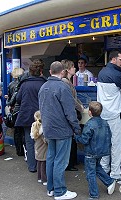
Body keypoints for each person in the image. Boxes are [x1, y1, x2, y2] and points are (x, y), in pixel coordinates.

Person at [39, 61, 81, 199]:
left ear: (50, 72)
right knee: (61, 161)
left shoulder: (43, 87)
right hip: (62, 130)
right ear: (62, 72)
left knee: (51, 158)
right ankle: (60, 191)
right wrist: (76, 128)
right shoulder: (63, 88)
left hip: (48, 128)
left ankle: (51, 188)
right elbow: (70, 112)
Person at [97, 50, 121, 181]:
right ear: (113, 59)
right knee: (117, 144)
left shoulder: (101, 72)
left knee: (106, 144)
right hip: (116, 114)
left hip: (103, 114)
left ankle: (104, 169)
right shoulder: (117, 75)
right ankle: (116, 173)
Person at [75, 101, 116, 199]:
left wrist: (76, 137)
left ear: (89, 112)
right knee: (97, 168)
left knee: (90, 174)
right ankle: (109, 181)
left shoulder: (89, 124)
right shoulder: (105, 123)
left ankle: (94, 195)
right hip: (101, 151)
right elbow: (109, 136)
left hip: (91, 152)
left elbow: (84, 140)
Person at [15, 59, 46, 173]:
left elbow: (18, 99)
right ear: (41, 71)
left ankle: (32, 166)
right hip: (42, 116)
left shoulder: (25, 84)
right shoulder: (44, 83)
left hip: (27, 116)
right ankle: (42, 167)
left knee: (29, 141)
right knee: (43, 142)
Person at [61, 59, 84, 171]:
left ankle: (71, 162)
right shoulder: (65, 82)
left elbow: (75, 98)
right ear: (68, 69)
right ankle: (70, 164)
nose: (75, 68)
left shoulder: (68, 81)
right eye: (73, 66)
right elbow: (71, 99)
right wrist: (80, 107)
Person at [6, 68, 25, 156]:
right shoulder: (23, 84)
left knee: (17, 131)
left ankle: (19, 150)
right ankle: (25, 150)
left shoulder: (11, 85)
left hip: (15, 110)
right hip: (23, 109)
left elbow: (10, 98)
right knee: (24, 131)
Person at [30, 110, 47, 186]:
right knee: (43, 163)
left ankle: (39, 177)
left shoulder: (34, 126)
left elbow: (33, 136)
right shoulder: (43, 127)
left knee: (39, 162)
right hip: (43, 147)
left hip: (37, 146)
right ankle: (44, 179)